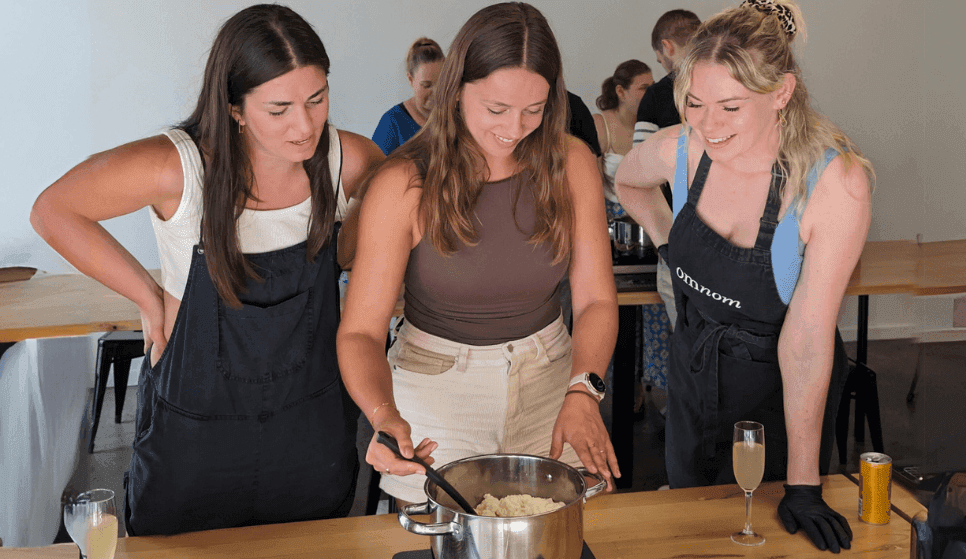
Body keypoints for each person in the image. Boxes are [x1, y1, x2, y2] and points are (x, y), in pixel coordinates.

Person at [30, 4, 384, 536]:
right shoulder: (179, 166)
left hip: (310, 434)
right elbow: (53, 211)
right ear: (235, 108)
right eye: (279, 108)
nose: (305, 125)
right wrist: (148, 298)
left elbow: (372, 236)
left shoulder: (348, 160)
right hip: (193, 439)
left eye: (317, 99)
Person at [337, 2, 620, 506]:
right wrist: (383, 415)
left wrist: (584, 389)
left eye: (534, 110)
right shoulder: (404, 183)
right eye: (496, 109)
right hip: (436, 391)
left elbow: (597, 299)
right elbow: (360, 330)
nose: (515, 128)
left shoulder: (571, 162)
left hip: (552, 377)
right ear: (456, 89)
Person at [616, 0, 873, 553]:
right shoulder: (679, 149)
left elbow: (805, 340)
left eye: (730, 107)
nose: (707, 125)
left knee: (770, 539)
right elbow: (629, 182)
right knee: (694, 528)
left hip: (778, 391)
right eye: (695, 102)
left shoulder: (832, 184)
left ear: (781, 92)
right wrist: (667, 243)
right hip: (695, 367)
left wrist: (804, 484)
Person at [632, 9, 702, 331]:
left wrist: (664, 243)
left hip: (683, 236)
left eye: (659, 58)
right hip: (742, 235)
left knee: (689, 344)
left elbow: (639, 176)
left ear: (667, 46)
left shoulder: (658, 95)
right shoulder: (738, 83)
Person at [593, 59, 654, 221]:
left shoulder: (652, 125)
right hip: (609, 222)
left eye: (653, 86)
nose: (652, 93)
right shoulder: (600, 124)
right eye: (644, 88)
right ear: (621, 92)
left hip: (646, 218)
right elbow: (592, 186)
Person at [372, 37, 445, 155]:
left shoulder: (457, 117)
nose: (436, 92)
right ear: (410, 79)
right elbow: (374, 171)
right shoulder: (392, 122)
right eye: (426, 85)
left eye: (441, 83)